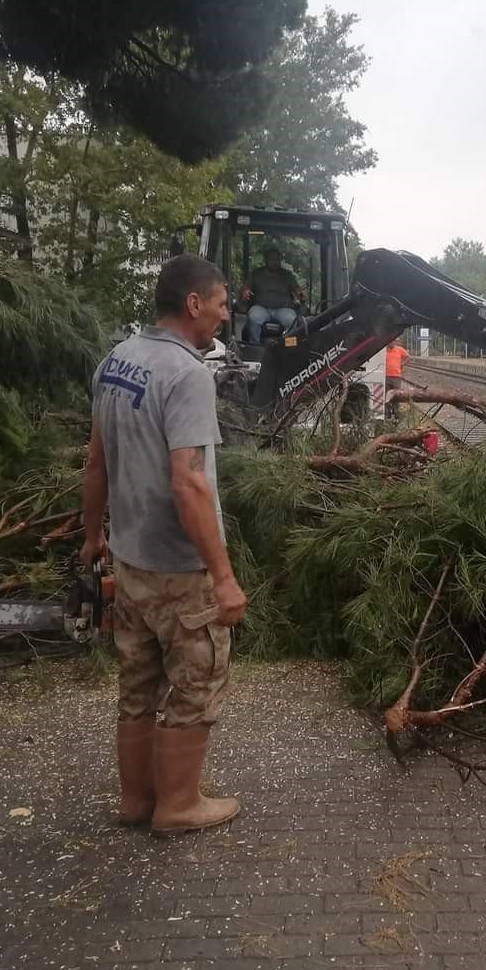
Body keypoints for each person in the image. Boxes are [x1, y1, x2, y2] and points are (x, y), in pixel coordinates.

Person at [81, 253, 248, 835]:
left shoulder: (117, 360)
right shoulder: (188, 374)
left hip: (129, 562)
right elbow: (190, 483)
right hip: (179, 570)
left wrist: (92, 533)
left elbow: (96, 461)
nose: (226, 316)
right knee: (194, 685)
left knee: (137, 686)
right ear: (194, 303)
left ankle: (137, 801)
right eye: (223, 303)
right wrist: (222, 576)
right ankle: (178, 806)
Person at [240, 247, 305, 344]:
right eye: (272, 259)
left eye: (278, 259)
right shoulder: (256, 274)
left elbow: (296, 289)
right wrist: (245, 292)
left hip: (283, 309)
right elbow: (245, 288)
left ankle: (288, 347)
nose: (275, 262)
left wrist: (300, 294)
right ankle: (254, 346)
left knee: (292, 319)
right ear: (266, 260)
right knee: (253, 317)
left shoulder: (287, 275)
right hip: (261, 308)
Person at [385, 337, 410, 417]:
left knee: (397, 396)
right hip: (386, 376)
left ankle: (396, 413)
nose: (392, 343)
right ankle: (387, 413)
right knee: (386, 396)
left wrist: (402, 364)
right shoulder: (383, 351)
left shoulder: (399, 349)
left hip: (396, 377)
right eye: (391, 341)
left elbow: (408, 357)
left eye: (394, 341)